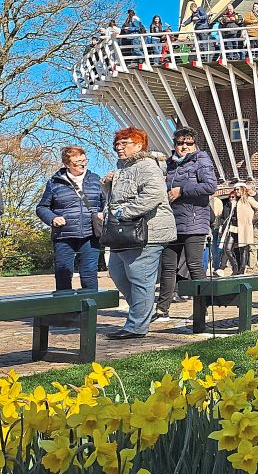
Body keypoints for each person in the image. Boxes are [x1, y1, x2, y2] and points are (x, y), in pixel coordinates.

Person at [103, 127, 175, 340]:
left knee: (139, 278)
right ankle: (145, 311)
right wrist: (108, 186)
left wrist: (124, 213)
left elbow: (154, 194)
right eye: (117, 143)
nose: (119, 147)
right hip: (124, 231)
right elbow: (119, 197)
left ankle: (136, 326)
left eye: (124, 143)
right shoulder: (122, 168)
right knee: (117, 273)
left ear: (139, 145)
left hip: (147, 231)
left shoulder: (146, 165)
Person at [158, 127, 216, 322]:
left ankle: (202, 309)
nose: (184, 146)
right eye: (180, 143)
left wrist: (181, 190)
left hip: (194, 221)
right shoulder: (169, 164)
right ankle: (162, 309)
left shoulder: (202, 160)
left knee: (193, 264)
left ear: (195, 144)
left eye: (189, 143)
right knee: (168, 266)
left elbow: (210, 186)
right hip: (172, 221)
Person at [36, 146, 104, 291]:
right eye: (77, 162)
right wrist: (53, 218)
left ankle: (90, 308)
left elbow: (107, 204)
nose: (82, 164)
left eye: (84, 161)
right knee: (63, 273)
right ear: (67, 164)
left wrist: (103, 213)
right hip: (63, 235)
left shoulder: (96, 180)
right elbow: (41, 207)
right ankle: (65, 310)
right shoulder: (54, 183)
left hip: (90, 234)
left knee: (89, 273)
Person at [216, 183, 258, 274]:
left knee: (243, 249)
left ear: (243, 189)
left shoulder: (248, 199)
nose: (236, 191)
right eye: (235, 189)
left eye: (238, 189)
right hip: (233, 228)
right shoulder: (235, 200)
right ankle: (235, 267)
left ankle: (241, 270)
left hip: (244, 228)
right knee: (227, 248)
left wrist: (251, 220)